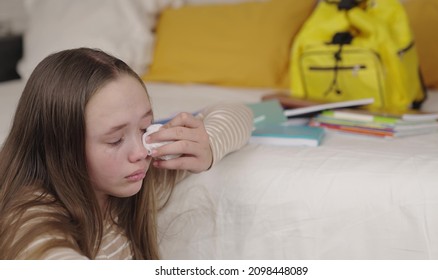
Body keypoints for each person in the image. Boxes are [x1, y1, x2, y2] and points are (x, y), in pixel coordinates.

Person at [0, 48, 253, 259]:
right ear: (59, 146)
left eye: (144, 127)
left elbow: (238, 112)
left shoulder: (139, 176)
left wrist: (207, 145)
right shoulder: (29, 219)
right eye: (115, 139)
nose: (142, 151)